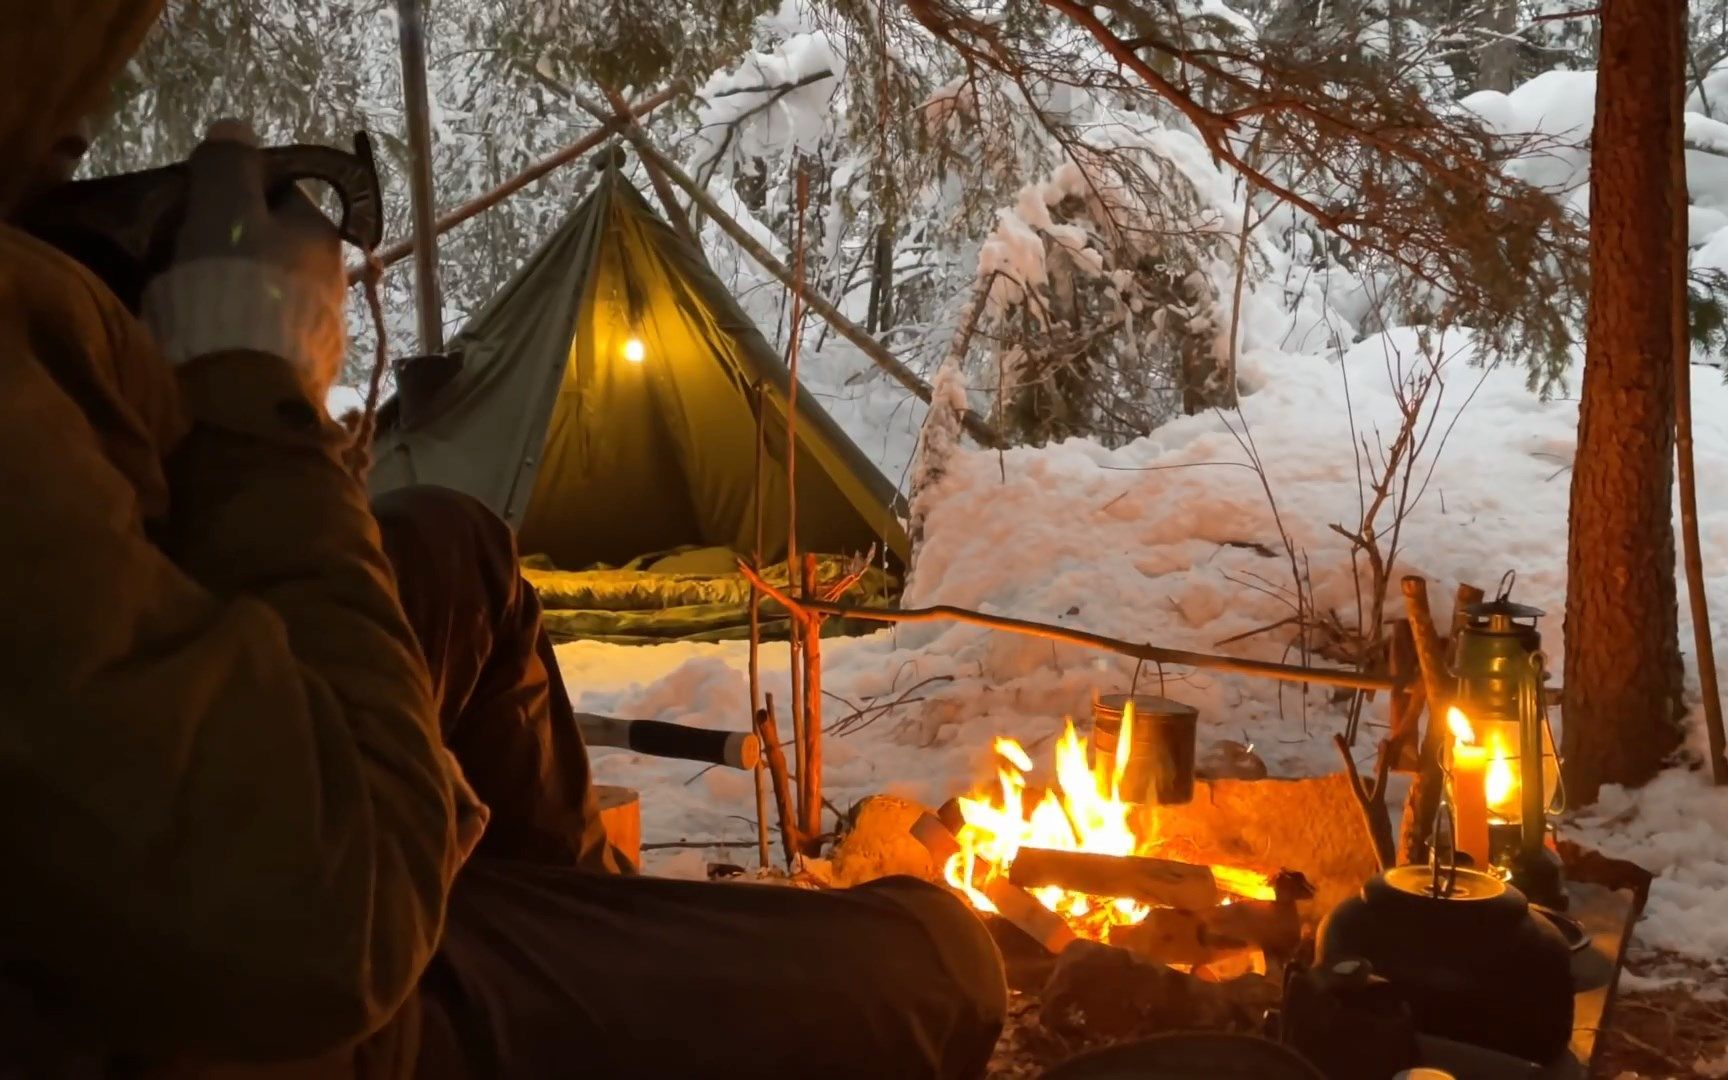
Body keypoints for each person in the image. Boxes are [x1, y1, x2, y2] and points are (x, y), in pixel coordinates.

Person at [0, 4, 1008, 1078]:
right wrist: (252, 383)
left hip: (186, 826)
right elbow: (325, 922)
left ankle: (584, 955)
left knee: (455, 546)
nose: (85, 116)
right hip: (255, 1003)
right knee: (938, 963)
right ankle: (564, 985)